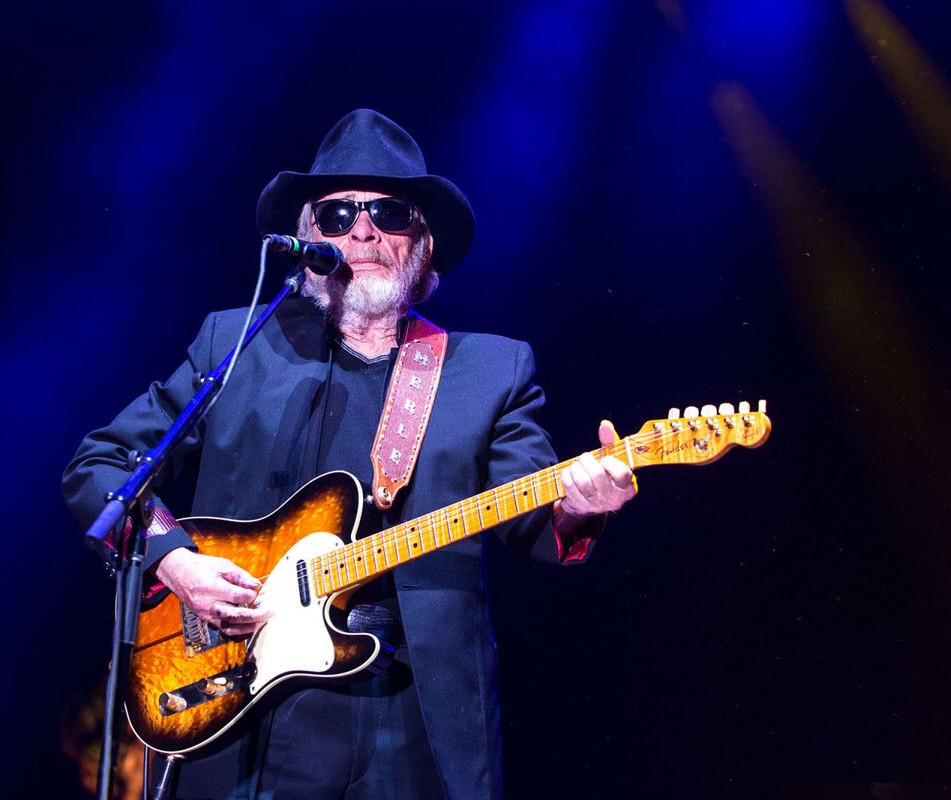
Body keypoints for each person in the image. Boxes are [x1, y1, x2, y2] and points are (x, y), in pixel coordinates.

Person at [63, 109, 637, 800]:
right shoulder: (239, 345)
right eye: (337, 216)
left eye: (389, 213)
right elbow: (104, 466)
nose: (362, 232)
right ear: (309, 239)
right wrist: (175, 559)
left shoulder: (489, 372)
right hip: (240, 696)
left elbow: (534, 517)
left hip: (411, 713)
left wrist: (582, 502)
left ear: (423, 242)